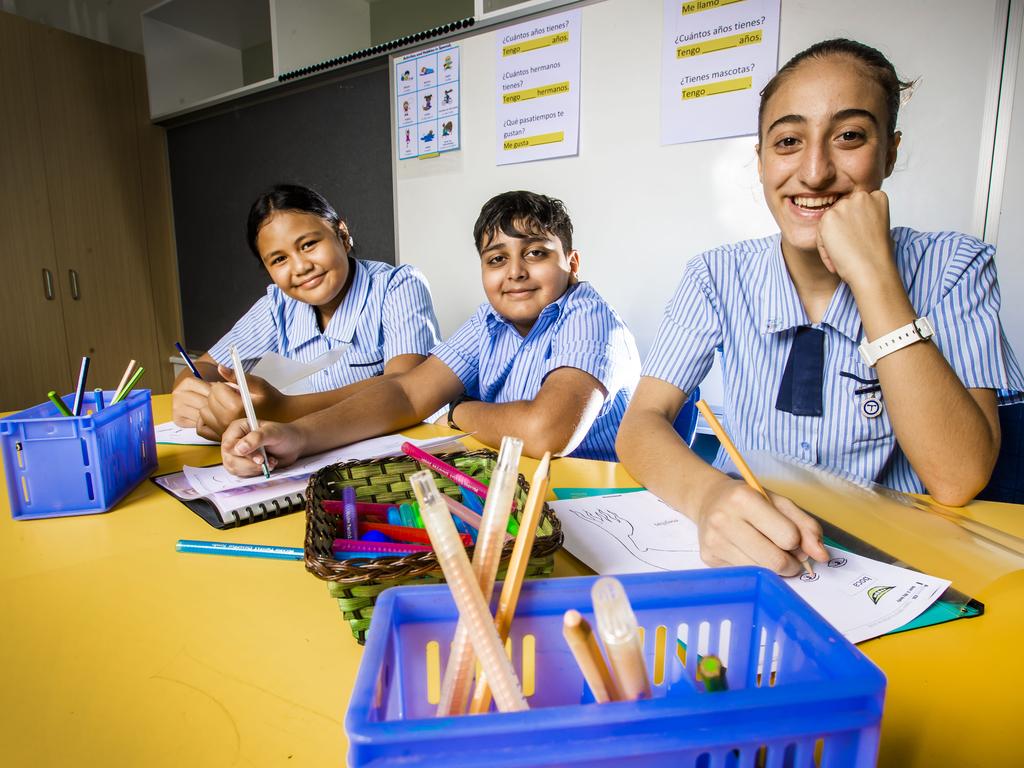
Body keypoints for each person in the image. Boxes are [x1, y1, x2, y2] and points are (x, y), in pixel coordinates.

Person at [617, 39, 1024, 576]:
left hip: (898, 564)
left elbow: (957, 476)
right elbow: (642, 423)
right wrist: (708, 498)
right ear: (760, 160)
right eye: (787, 141)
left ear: (891, 152)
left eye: (849, 136)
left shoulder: (955, 266)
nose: (813, 172)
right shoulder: (716, 274)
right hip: (759, 547)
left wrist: (875, 276)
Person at [219, 190, 641, 473]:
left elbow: (543, 434)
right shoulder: (488, 321)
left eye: (536, 253)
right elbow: (406, 393)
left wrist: (454, 411)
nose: (515, 272)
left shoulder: (587, 315)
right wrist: (296, 436)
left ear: (572, 263)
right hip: (516, 482)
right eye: (496, 259)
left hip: (593, 502)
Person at [171, 183, 441, 438]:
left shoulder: (397, 286)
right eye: (279, 259)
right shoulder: (278, 305)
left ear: (342, 236)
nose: (300, 267)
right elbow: (204, 366)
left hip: (398, 444)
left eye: (309, 244)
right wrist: (198, 395)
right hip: (316, 449)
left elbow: (406, 385)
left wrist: (283, 410)